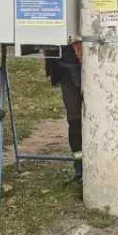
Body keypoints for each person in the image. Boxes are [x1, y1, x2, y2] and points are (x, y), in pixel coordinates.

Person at [43, 40, 84, 183]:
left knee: (96, 119)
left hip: (93, 62)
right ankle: (80, 170)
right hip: (66, 64)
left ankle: (98, 168)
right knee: (74, 120)